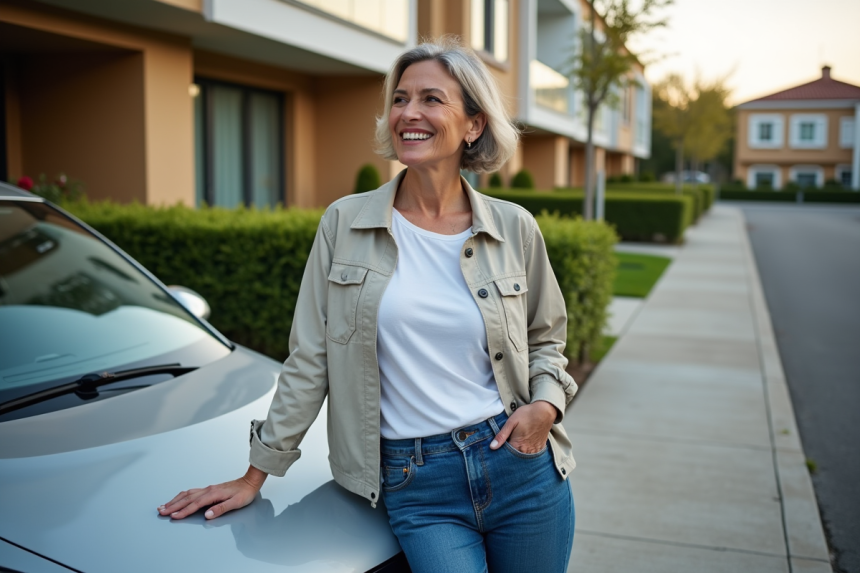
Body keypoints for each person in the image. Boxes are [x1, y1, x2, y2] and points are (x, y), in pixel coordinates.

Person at [159, 37, 578, 573]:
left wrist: (544, 408)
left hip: (521, 466)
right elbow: (310, 358)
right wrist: (254, 475)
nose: (409, 113)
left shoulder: (513, 226)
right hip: (416, 482)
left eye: (431, 99)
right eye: (400, 99)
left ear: (473, 124)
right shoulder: (344, 223)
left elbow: (547, 338)